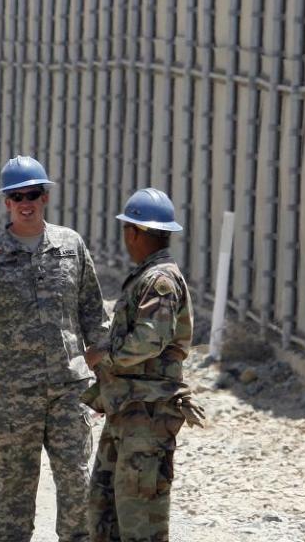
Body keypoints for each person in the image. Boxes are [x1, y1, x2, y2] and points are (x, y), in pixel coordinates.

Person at [0, 155, 110, 542]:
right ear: (6, 203)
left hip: (68, 392)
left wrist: (100, 381)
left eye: (32, 194)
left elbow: (94, 316)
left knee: (78, 490)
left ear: (45, 197)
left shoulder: (70, 245)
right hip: (14, 396)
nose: (25, 202)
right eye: (16, 196)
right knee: (14, 496)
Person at [82, 188, 204, 542]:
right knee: (104, 514)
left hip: (147, 417)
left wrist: (103, 356)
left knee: (140, 520)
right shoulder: (149, 276)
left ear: (133, 232)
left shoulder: (160, 281)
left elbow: (150, 340)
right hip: (128, 409)